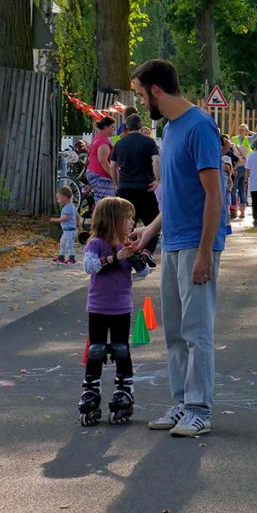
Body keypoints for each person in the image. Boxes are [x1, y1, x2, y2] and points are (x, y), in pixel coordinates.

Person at [131, 59, 227, 437]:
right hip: (171, 243)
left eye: (141, 94)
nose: (140, 103)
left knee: (196, 329)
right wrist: (150, 231)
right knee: (173, 330)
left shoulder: (200, 126)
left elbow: (213, 195)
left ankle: (200, 408)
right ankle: (182, 403)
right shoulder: (170, 130)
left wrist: (205, 252)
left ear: (156, 90)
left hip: (196, 245)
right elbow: (172, 194)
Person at [77, 197, 149, 426]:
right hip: (98, 306)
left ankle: (124, 390)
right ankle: (91, 389)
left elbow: (144, 272)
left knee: (121, 349)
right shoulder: (96, 243)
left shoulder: (127, 245)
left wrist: (137, 256)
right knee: (96, 350)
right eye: (128, 218)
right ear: (114, 220)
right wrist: (115, 257)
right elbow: (90, 267)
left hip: (121, 307)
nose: (131, 222)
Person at [111, 113, 161, 266]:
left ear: (126, 127)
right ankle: (146, 252)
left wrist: (117, 183)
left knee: (126, 224)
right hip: (145, 188)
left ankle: (125, 253)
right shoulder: (149, 142)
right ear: (141, 127)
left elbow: (113, 165)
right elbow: (156, 161)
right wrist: (157, 180)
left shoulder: (119, 144)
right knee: (153, 223)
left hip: (125, 189)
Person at [87, 116, 117, 202]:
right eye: (112, 127)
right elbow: (103, 160)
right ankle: (103, 215)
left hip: (94, 173)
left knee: (101, 200)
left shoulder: (97, 137)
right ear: (105, 127)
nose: (114, 129)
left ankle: (99, 215)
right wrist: (113, 176)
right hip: (100, 175)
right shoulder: (103, 141)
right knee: (107, 202)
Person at [51, 186, 79, 264]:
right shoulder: (72, 206)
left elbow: (65, 218)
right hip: (69, 230)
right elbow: (77, 216)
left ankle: (71, 259)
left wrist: (55, 220)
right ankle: (61, 257)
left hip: (69, 231)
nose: (58, 201)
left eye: (58, 198)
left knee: (69, 245)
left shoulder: (67, 208)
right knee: (62, 243)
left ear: (64, 198)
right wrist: (77, 225)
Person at [231, 125, 253, 220]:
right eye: (240, 129)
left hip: (242, 167)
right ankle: (239, 211)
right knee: (240, 190)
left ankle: (237, 211)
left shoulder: (248, 139)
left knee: (236, 189)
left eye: (243, 130)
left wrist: (250, 132)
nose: (241, 131)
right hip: (241, 166)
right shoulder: (234, 138)